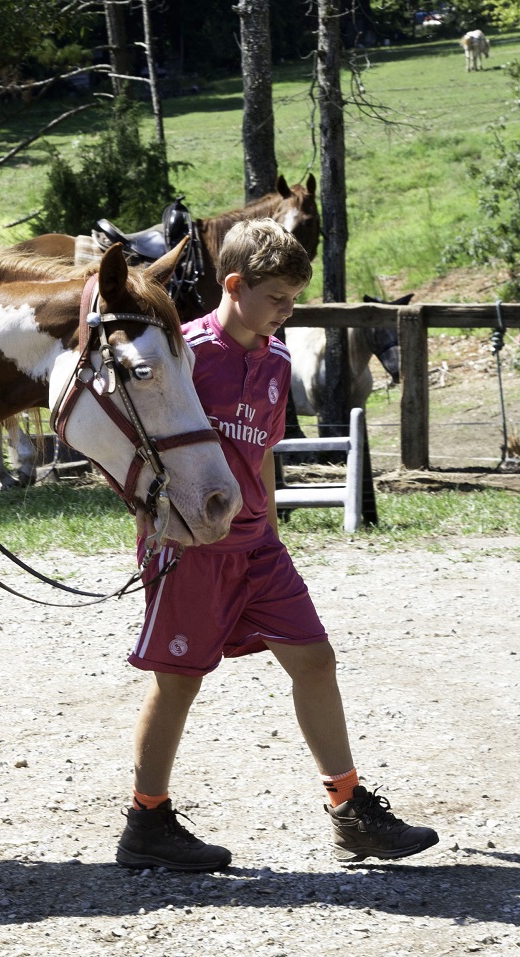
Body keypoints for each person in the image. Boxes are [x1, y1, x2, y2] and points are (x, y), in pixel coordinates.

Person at [115, 218, 439, 871]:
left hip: (258, 547)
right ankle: (146, 821)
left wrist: (270, 528)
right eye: (279, 299)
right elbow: (141, 451)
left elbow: (260, 452)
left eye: (294, 300)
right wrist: (149, 534)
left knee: (316, 660)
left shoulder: (279, 358)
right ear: (234, 285)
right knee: (178, 682)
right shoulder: (184, 356)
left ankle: (349, 810)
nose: (287, 312)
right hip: (192, 548)